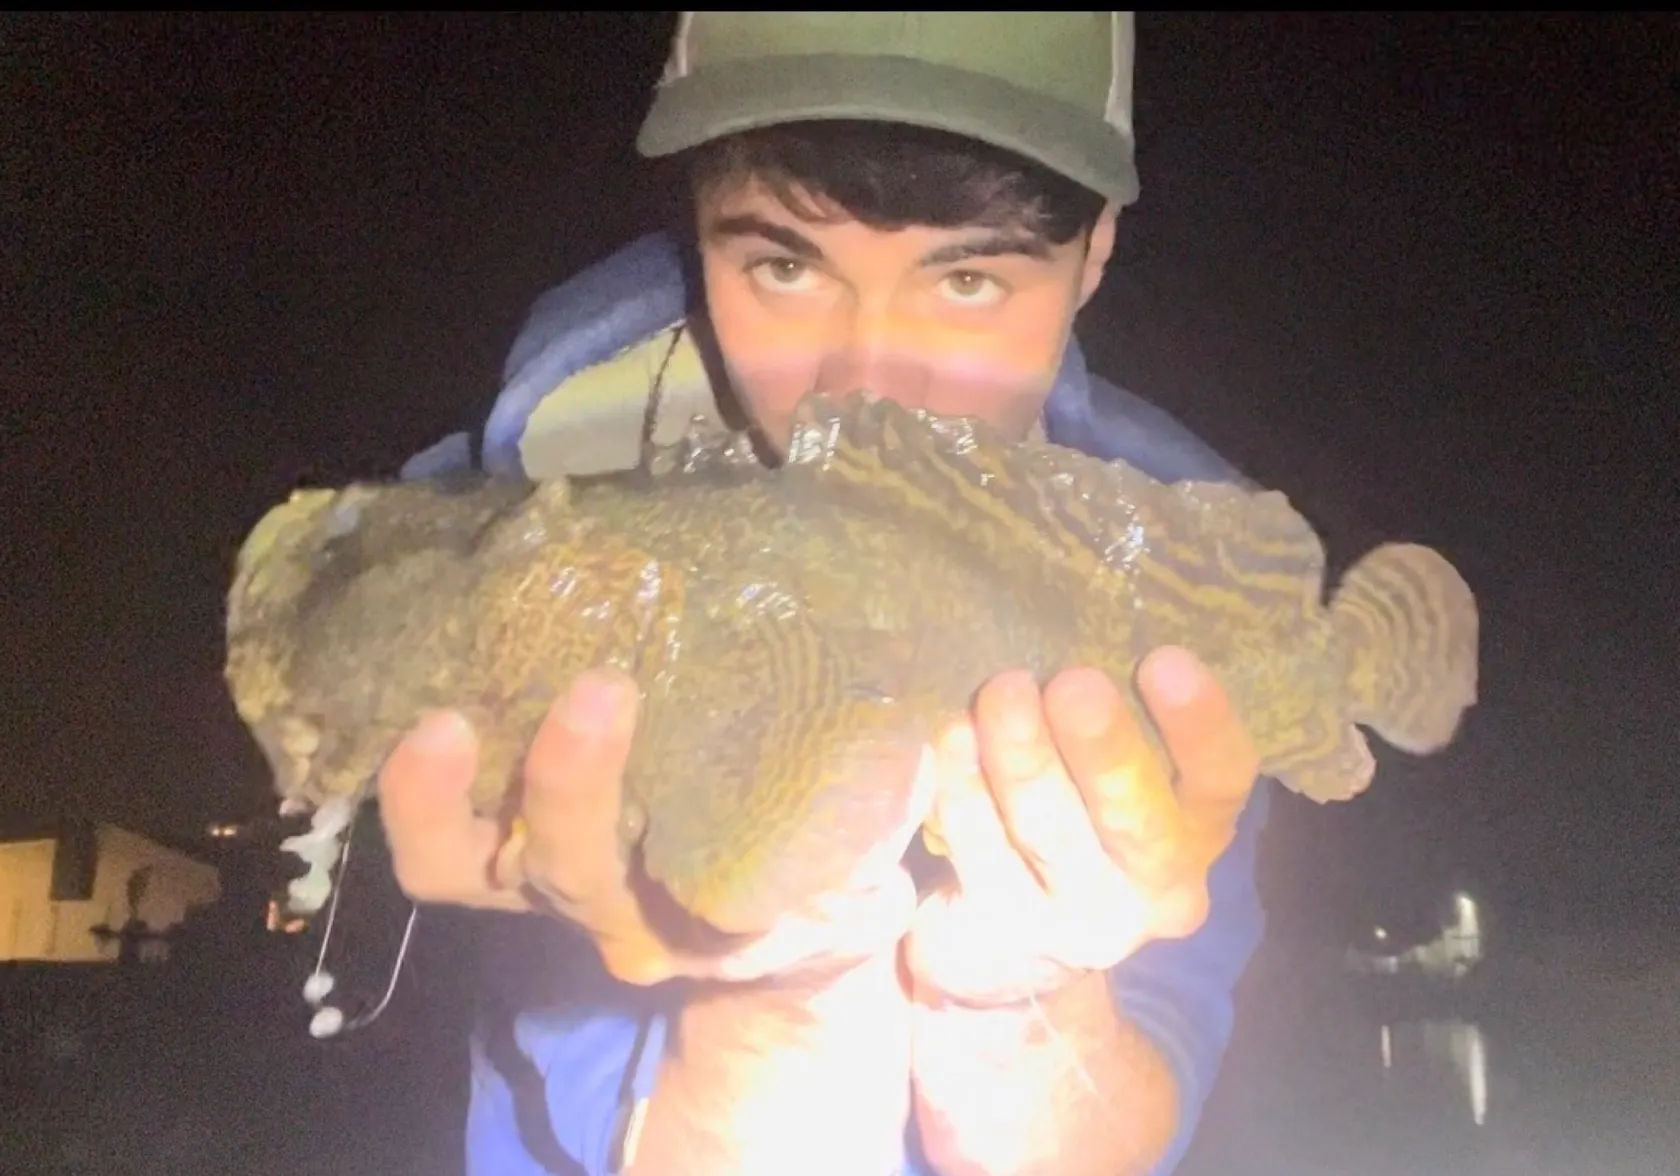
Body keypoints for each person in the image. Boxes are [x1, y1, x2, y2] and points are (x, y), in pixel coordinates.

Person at [377, 13, 1269, 1176]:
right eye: (786, 266)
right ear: (697, 232)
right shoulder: (524, 544)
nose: (867, 396)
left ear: (1094, 251)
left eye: (969, 279)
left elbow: (1126, 1107)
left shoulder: (1187, 586)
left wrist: (1015, 1011)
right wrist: (778, 998)